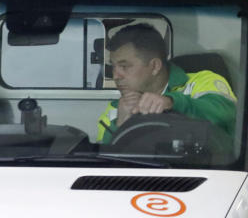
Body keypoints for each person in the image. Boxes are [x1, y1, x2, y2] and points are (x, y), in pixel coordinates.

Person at [97, 23, 237, 144]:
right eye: (113, 66)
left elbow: (228, 114)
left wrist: (172, 102)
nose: (116, 76)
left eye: (124, 66)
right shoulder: (115, 108)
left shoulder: (204, 81)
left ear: (155, 66)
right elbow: (104, 159)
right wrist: (120, 124)